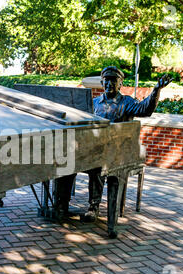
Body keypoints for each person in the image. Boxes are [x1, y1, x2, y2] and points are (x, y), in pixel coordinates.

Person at [57, 66, 173, 239]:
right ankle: (61, 205)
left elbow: (145, 110)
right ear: (102, 82)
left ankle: (93, 208)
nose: (109, 83)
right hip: (92, 148)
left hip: (115, 153)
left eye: (113, 80)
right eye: (106, 80)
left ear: (120, 83)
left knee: (97, 167)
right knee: (66, 162)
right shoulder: (94, 103)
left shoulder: (127, 102)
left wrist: (156, 90)